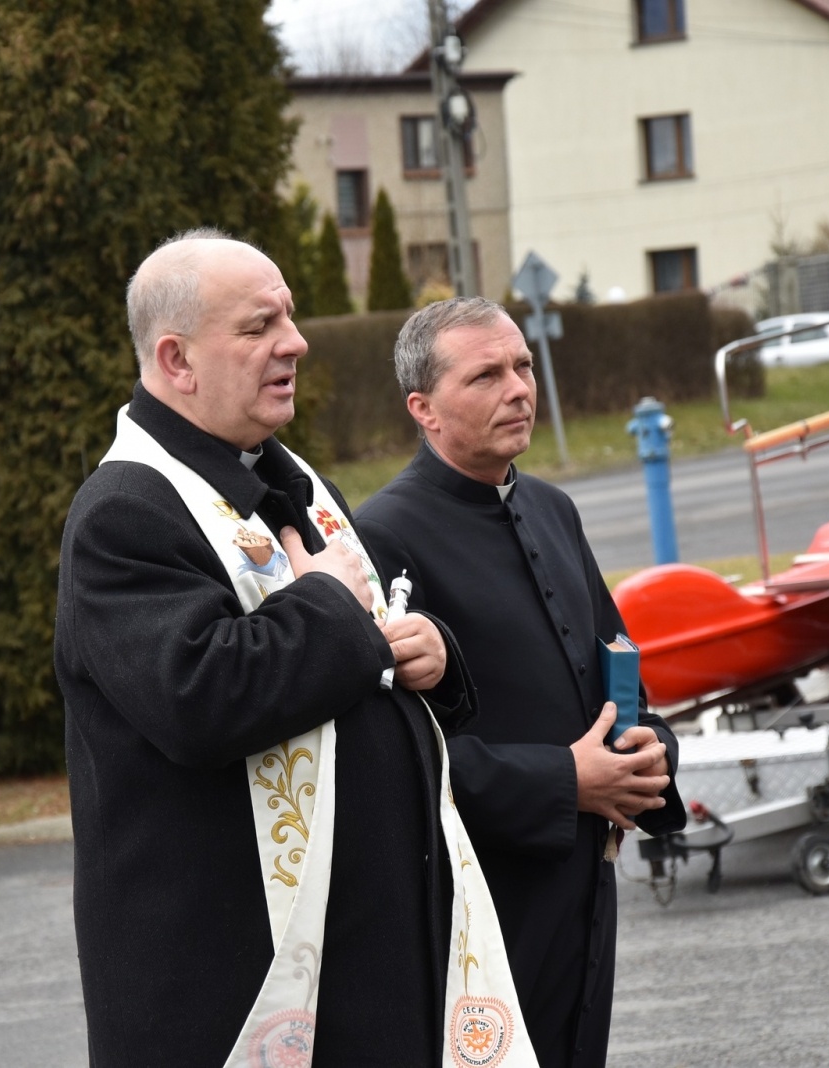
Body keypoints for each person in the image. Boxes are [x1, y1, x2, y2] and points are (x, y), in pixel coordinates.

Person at [55, 234, 535, 1067]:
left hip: (369, 966)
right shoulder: (123, 514)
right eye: (259, 325)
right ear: (177, 360)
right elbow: (200, 698)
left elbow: (357, 638)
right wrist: (332, 608)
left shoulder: (291, 479)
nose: (296, 342)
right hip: (235, 985)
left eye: (290, 317)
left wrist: (430, 655)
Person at [355, 297, 686, 1068]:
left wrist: (648, 753)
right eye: (486, 375)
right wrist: (565, 779)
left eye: (523, 367)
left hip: (583, 891)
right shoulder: (383, 534)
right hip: (480, 904)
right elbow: (391, 756)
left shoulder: (551, 507)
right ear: (424, 409)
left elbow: (617, 666)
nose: (518, 388)